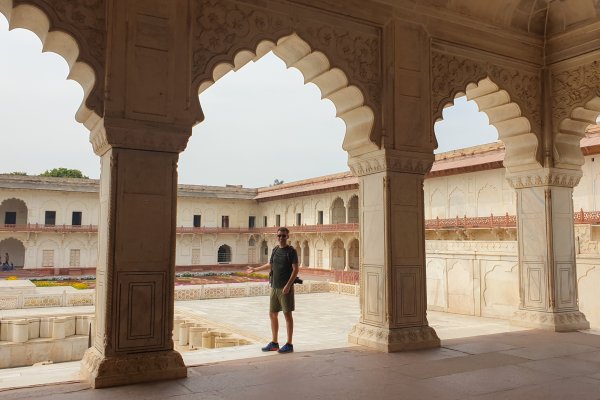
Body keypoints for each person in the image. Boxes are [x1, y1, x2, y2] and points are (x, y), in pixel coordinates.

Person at [247, 227, 299, 354]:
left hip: (285, 288)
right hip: (274, 287)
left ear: (288, 237)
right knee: (272, 314)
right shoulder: (275, 250)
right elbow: (270, 265)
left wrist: (288, 285)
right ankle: (274, 343)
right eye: (279, 236)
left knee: (287, 315)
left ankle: (289, 344)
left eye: (283, 236)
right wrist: (255, 269)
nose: (281, 238)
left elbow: (295, 269)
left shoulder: (291, 251)